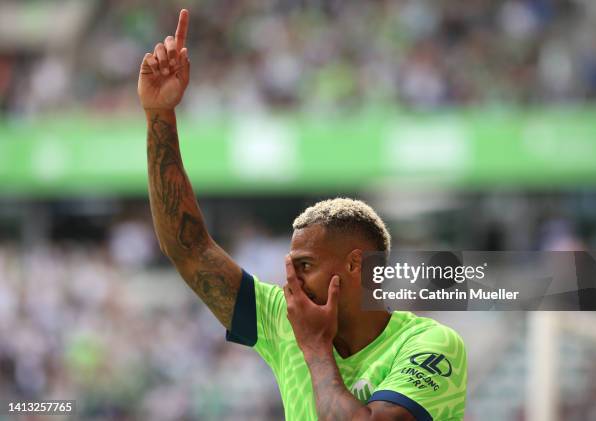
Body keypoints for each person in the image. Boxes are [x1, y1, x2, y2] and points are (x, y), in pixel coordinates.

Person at [138, 9, 467, 421]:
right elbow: (189, 249)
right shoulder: (282, 318)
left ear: (354, 265)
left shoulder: (430, 345)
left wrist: (314, 348)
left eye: (305, 265)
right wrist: (159, 116)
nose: (289, 281)